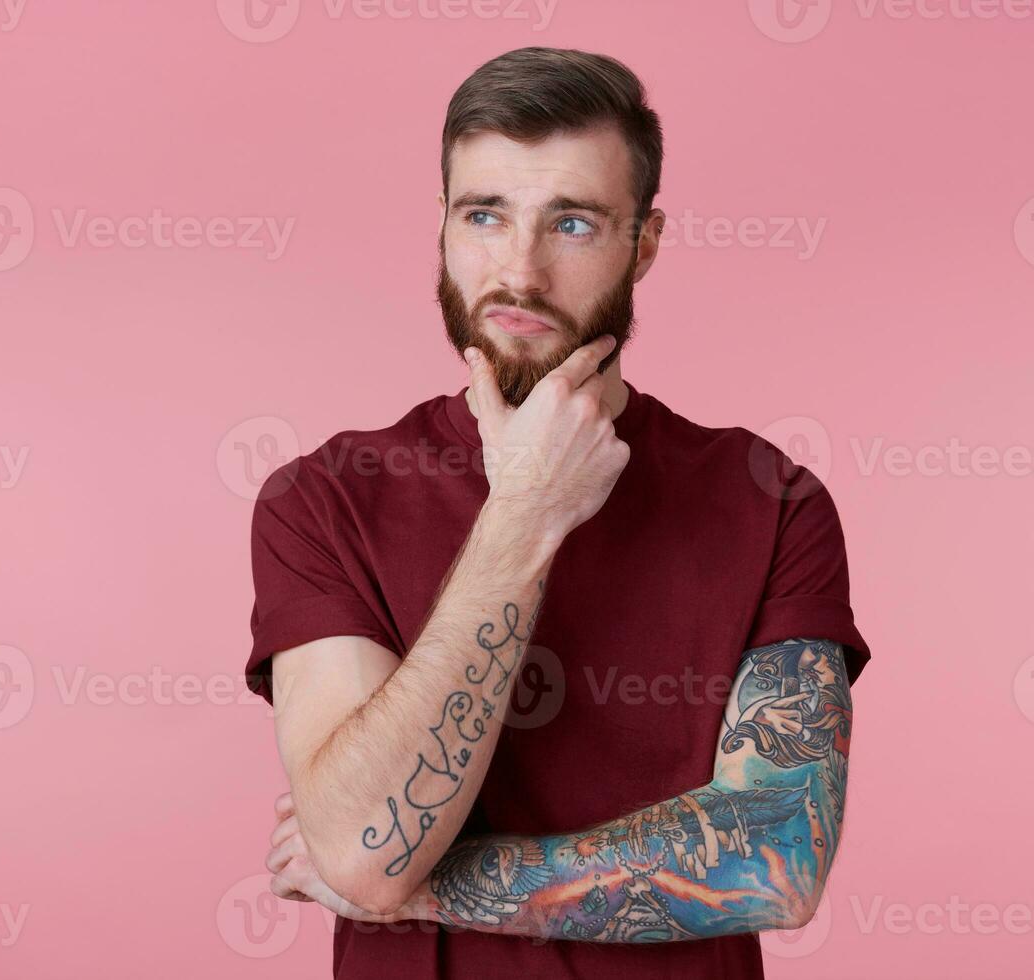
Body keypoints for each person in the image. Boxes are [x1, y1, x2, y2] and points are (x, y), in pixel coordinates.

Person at [246, 46, 871, 980]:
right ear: (444, 228)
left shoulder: (772, 501)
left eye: (572, 222)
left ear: (644, 244)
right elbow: (366, 846)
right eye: (484, 215)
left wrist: (432, 890)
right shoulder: (323, 499)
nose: (520, 271)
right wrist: (524, 516)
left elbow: (773, 861)